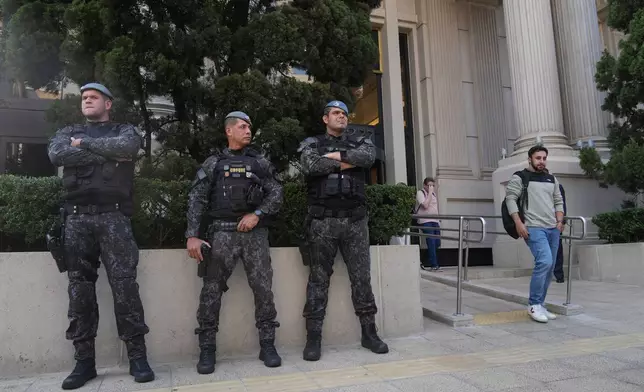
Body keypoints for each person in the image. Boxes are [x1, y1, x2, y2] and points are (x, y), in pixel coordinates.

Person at [47, 83, 154, 389]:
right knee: (79, 292)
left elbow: (127, 149)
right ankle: (84, 364)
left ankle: (137, 358)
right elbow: (56, 154)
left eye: (93, 97)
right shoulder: (67, 131)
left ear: (108, 103)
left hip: (114, 217)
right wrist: (97, 152)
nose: (87, 100)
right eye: (84, 97)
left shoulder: (125, 130)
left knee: (125, 288)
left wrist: (84, 146)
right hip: (77, 218)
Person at [185, 111, 284, 374]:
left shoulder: (260, 162)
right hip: (221, 235)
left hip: (255, 235)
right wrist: (192, 235)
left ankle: (268, 345)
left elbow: (277, 193)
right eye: (242, 126)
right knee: (211, 292)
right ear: (229, 131)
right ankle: (207, 350)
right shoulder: (214, 162)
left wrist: (258, 214)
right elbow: (197, 198)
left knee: (264, 289)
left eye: (250, 126)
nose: (248, 130)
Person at [298, 100, 388, 362]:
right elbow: (310, 166)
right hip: (322, 222)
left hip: (355, 223)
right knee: (318, 280)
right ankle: (313, 339)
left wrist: (334, 157)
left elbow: (369, 158)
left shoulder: (361, 141)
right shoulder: (311, 143)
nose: (342, 117)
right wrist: (348, 162)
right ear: (325, 118)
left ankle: (369, 333)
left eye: (345, 114)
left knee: (362, 278)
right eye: (336, 113)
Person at [504, 145, 564, 323]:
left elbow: (558, 201)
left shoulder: (551, 179)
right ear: (529, 158)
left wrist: (559, 222)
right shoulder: (520, 177)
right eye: (538, 158)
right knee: (544, 261)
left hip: (552, 228)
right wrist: (518, 223)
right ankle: (533, 304)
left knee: (550, 267)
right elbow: (510, 199)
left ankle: (540, 304)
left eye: (544, 158)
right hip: (533, 228)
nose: (542, 161)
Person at [416, 177, 441, 271]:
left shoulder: (434, 194)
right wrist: (429, 193)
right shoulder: (420, 193)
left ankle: (423, 261)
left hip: (435, 221)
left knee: (437, 243)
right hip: (425, 221)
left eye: (433, 186)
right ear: (425, 185)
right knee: (431, 241)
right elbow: (425, 205)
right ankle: (434, 265)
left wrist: (438, 220)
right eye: (429, 185)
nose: (431, 187)